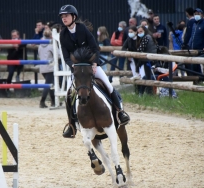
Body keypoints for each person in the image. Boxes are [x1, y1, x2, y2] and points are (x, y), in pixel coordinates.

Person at [58, 4, 130, 138]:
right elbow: (66, 56)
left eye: (66, 16)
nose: (64, 18)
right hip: (77, 70)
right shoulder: (63, 34)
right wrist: (72, 66)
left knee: (108, 86)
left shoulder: (82, 29)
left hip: (91, 66)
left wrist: (95, 63)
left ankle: (120, 112)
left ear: (74, 17)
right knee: (69, 94)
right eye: (62, 16)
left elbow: (95, 48)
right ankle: (71, 125)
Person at [135, 25, 158, 95]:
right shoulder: (150, 36)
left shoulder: (146, 37)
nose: (139, 33)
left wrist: (135, 50)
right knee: (148, 76)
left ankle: (149, 92)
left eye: (141, 31)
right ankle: (149, 92)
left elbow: (140, 49)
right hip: (151, 58)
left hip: (148, 59)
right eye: (138, 32)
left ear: (144, 31)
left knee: (148, 77)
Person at [38, 29, 57, 108]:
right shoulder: (51, 45)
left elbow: (39, 54)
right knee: (48, 85)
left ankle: (53, 101)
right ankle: (42, 101)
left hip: (42, 67)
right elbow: (58, 55)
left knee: (50, 84)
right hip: (49, 67)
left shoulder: (40, 45)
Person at [188, 8, 204, 74]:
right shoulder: (194, 24)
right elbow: (192, 35)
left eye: (198, 13)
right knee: (194, 65)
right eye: (195, 14)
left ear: (202, 14)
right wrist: (189, 45)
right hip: (193, 47)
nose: (196, 15)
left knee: (199, 64)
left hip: (201, 48)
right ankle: (196, 79)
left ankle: (202, 77)